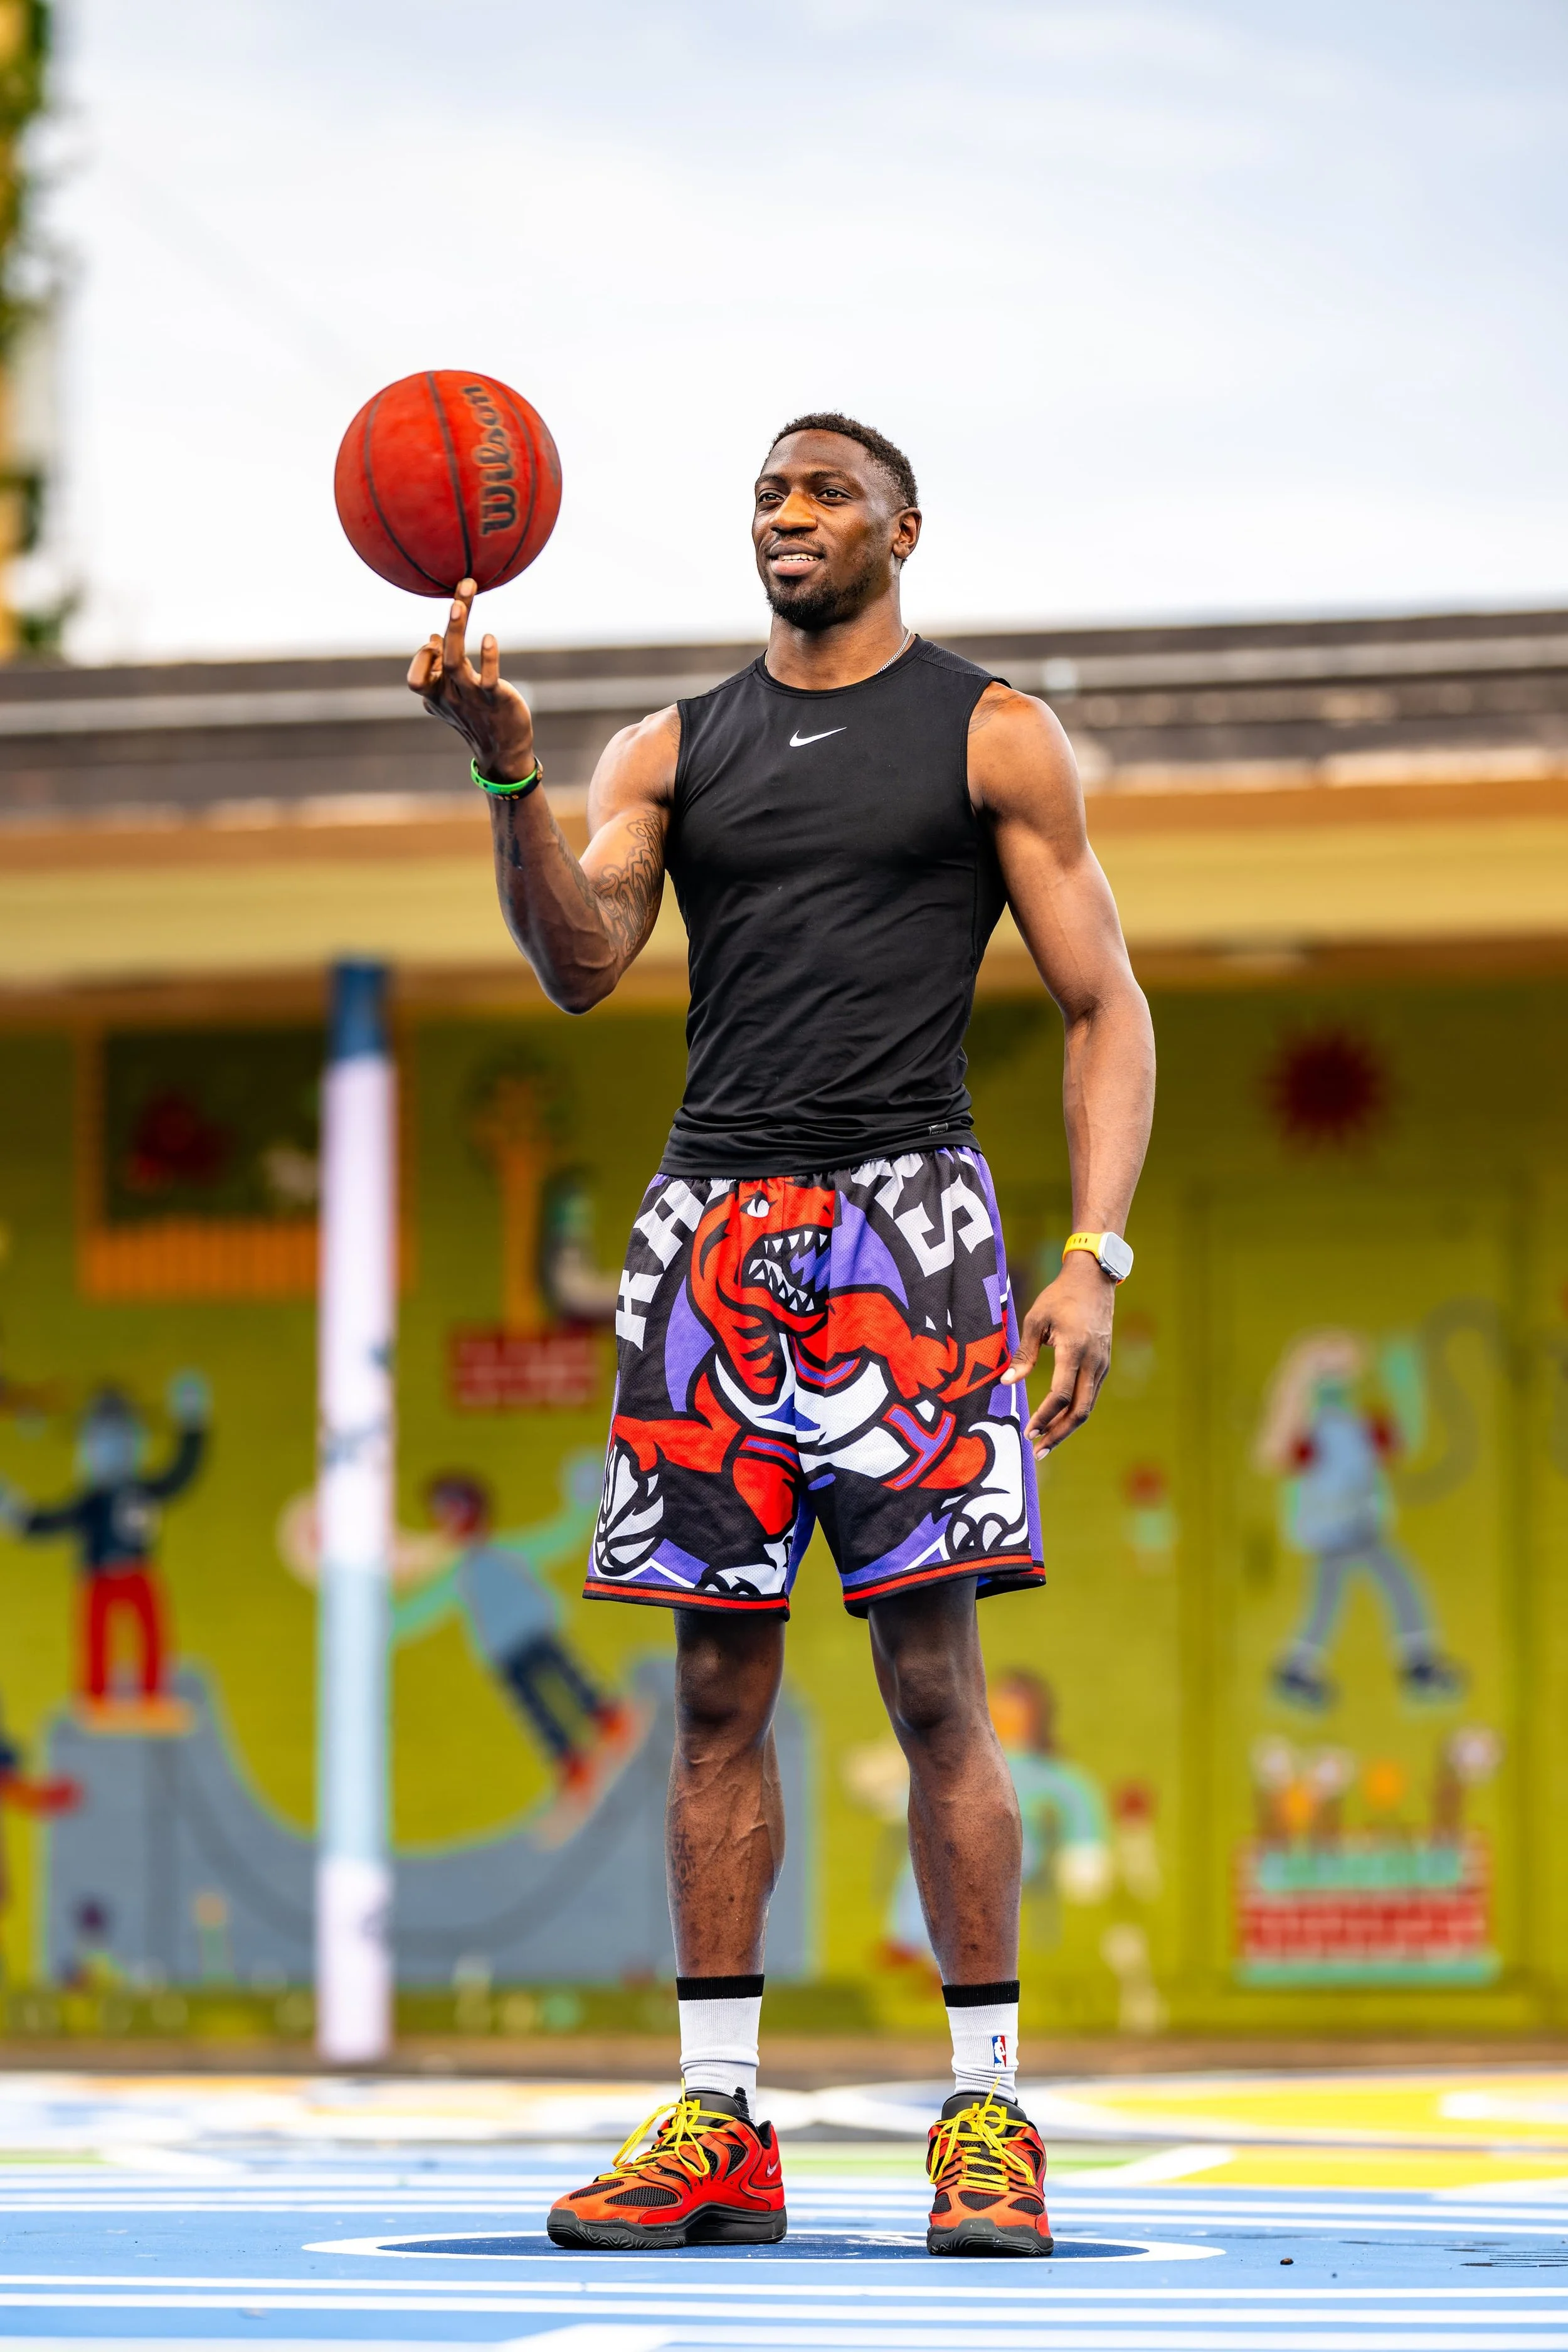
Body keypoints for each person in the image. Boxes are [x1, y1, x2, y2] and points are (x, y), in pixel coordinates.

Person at [409, 412, 1155, 2257]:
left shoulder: (990, 732)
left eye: (824, 488)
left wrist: (1091, 1254)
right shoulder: (667, 746)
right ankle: (719, 2123)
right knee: (715, 1691)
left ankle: (983, 2111)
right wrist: (509, 777)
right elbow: (582, 957)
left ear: (903, 523)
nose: (789, 513)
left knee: (929, 1682)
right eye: (766, 491)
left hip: (908, 1234)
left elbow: (1100, 1001)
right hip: (711, 1235)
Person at [393, 1458, 639, 1798]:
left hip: (530, 1627)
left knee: (565, 1674)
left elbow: (556, 1539)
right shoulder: (458, 1574)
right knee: (535, 1707)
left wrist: (582, 1503)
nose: (449, 1525)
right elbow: (426, 1606)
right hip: (503, 1648)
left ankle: (605, 1717)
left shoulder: (504, 1552)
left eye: (453, 1514)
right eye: (443, 1518)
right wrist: (387, 1624)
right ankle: (571, 1762)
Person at [0, 1374, 209, 1715]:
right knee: (96, 1635)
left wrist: (192, 1422)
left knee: (151, 1631)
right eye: (102, 1439)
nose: (112, 1447)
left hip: (137, 1572)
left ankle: (152, 1694)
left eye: (120, 1436)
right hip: (98, 1577)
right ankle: (96, 1695)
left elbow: (180, 1474)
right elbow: (47, 1522)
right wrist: (13, 1512)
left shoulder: (140, 1491)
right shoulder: (91, 1501)